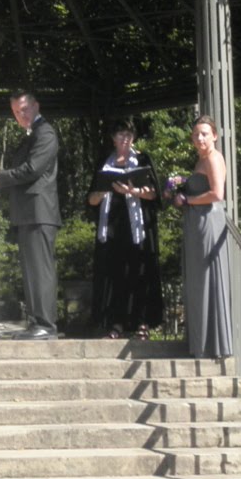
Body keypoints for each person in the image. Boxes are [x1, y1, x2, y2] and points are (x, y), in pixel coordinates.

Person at [0, 89, 60, 340]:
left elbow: (33, 169)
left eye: (24, 109)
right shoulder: (34, 134)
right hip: (29, 212)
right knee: (31, 270)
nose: (21, 115)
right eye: (16, 112)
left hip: (39, 211)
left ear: (36, 106)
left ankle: (45, 324)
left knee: (40, 269)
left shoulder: (45, 133)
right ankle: (37, 322)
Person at [86, 119, 162, 339]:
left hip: (137, 227)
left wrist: (133, 191)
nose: (125, 139)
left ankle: (142, 323)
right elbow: (90, 200)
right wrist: (102, 191)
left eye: (129, 135)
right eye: (120, 135)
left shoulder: (143, 159)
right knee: (115, 274)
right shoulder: (105, 162)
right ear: (113, 138)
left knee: (139, 272)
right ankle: (116, 323)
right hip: (112, 227)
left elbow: (154, 194)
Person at [173, 115, 232, 358]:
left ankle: (213, 344)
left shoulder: (213, 158)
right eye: (196, 134)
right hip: (197, 224)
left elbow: (217, 194)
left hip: (209, 222)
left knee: (207, 279)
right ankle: (200, 343)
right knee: (198, 282)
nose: (200, 138)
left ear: (214, 136)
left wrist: (188, 199)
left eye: (205, 134)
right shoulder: (201, 160)